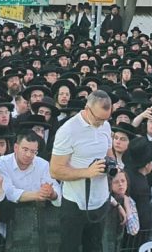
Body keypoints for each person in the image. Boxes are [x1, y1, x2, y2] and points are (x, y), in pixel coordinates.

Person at [49, 91, 114, 252]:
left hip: (100, 201)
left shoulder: (105, 125)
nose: (101, 123)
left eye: (106, 119)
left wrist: (114, 165)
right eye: (98, 118)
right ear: (87, 108)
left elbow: (109, 154)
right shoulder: (68, 130)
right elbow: (55, 171)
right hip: (75, 204)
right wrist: (87, 172)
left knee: (95, 248)